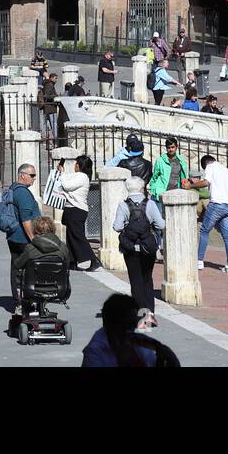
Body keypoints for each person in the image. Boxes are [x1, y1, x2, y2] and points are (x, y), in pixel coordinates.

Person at [114, 175, 164, 329]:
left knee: (135, 282)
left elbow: (117, 227)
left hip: (131, 248)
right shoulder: (150, 204)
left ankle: (139, 316)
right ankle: (150, 316)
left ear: (127, 189)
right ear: (142, 188)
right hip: (148, 248)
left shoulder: (123, 205)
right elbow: (161, 225)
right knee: (147, 280)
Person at [82, 293, 178, 367]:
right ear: (114, 323)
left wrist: (164, 354)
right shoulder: (95, 352)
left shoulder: (139, 342)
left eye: (133, 325)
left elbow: (154, 362)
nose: (132, 329)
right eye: (128, 325)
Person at [0, 163, 42, 328]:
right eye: (32, 175)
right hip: (23, 239)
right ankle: (23, 302)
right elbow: (26, 219)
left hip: (14, 237)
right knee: (25, 271)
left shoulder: (12, 189)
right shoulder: (23, 193)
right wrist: (34, 239)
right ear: (22, 175)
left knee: (16, 268)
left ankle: (19, 300)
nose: (34, 178)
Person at [191, 152, 228, 273]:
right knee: (227, 236)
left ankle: (199, 261)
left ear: (205, 164)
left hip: (216, 204)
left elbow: (206, 182)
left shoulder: (210, 167)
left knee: (204, 231)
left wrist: (191, 186)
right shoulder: (227, 171)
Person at [57, 155, 97, 270]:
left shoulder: (83, 177)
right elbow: (67, 179)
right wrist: (61, 172)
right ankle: (72, 261)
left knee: (78, 236)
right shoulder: (78, 176)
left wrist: (63, 173)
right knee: (70, 236)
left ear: (79, 166)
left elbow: (67, 185)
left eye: (76, 164)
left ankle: (92, 260)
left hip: (77, 209)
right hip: (71, 209)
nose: (74, 166)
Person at [148, 137, 188, 251]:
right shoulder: (160, 160)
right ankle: (159, 246)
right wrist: (152, 189)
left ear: (176, 147)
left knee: (173, 221)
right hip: (161, 194)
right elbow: (155, 176)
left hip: (175, 193)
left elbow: (184, 177)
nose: (170, 149)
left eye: (172, 147)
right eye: (169, 147)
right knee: (160, 222)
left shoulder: (181, 161)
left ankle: (170, 245)